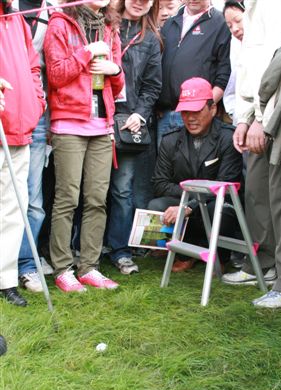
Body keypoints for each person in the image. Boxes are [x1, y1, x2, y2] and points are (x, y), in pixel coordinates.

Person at [221, 0, 281, 309]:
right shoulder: (251, 8)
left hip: (280, 111)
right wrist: (245, 119)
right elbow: (248, 71)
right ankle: (263, 264)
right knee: (258, 194)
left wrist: (261, 119)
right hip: (258, 112)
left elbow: (277, 65)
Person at [44, 0, 124, 292]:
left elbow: (116, 85)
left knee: (97, 199)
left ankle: (89, 267)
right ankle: (63, 268)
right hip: (69, 123)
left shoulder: (109, 26)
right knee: (67, 199)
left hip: (101, 126)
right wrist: (87, 52)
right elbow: (56, 74)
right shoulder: (60, 22)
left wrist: (115, 70)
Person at [149, 77, 243, 272]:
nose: (190, 118)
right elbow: (159, 183)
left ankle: (221, 255)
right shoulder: (170, 140)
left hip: (216, 203)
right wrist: (187, 202)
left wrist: (189, 204)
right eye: (185, 112)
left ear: (213, 109)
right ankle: (184, 253)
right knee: (156, 206)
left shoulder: (228, 138)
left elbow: (227, 185)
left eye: (197, 111)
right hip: (185, 199)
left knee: (218, 211)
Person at [105, 0, 162, 275]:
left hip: (128, 123)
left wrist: (140, 114)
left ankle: (120, 251)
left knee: (122, 189)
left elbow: (153, 85)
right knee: (89, 189)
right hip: (97, 117)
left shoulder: (150, 38)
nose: (140, 2)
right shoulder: (106, 23)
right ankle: (80, 249)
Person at [0, 0, 46, 307]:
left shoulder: (15, 17)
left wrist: (36, 100)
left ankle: (5, 280)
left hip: (21, 126)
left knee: (13, 208)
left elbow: (32, 65)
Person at [12, 0, 52, 294]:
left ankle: (26, 266)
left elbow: (37, 67)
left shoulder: (51, 12)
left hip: (32, 118)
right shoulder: (8, 10)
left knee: (33, 202)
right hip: (5, 114)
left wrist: (39, 104)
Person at [156, 0, 231, 146]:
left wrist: (206, 108)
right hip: (165, 115)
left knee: (196, 167)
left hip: (198, 115)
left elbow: (225, 72)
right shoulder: (170, 22)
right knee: (165, 167)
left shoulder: (220, 22)